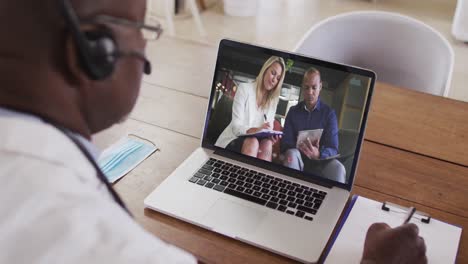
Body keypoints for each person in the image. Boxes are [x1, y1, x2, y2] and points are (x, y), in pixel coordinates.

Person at [0, 0, 427, 263]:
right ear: (95, 53)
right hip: (242, 145)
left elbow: (323, 146)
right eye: (142, 29)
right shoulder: (101, 244)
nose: (147, 47)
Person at [281, 67, 346, 183]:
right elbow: (285, 142)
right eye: (306, 87)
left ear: (320, 87)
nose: (310, 92)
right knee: (291, 153)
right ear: (302, 87)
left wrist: (319, 153)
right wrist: (298, 146)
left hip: (320, 161)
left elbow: (333, 148)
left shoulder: (329, 114)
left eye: (314, 87)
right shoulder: (293, 112)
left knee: (339, 168)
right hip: (297, 156)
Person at [215, 56, 285, 162]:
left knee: (267, 144)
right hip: (233, 139)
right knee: (252, 142)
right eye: (273, 73)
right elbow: (236, 128)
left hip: (256, 141)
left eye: (278, 78)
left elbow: (267, 129)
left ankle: (258, 178)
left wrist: (270, 136)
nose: (274, 80)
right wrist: (257, 130)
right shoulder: (244, 89)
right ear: (265, 70)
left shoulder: (272, 102)